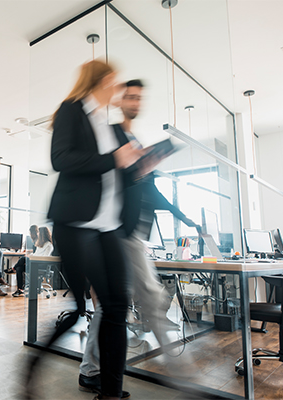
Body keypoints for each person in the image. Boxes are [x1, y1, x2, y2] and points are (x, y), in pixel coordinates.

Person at [24, 59, 144, 400]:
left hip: (108, 227)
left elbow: (114, 173)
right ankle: (32, 364)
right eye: (114, 82)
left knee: (117, 306)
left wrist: (138, 166)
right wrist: (114, 159)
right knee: (79, 309)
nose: (118, 90)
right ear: (102, 81)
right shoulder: (71, 111)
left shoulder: (106, 124)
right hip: (76, 223)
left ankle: (110, 393)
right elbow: (61, 159)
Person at [78, 79, 198, 394]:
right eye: (129, 96)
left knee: (112, 305)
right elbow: (114, 177)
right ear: (119, 101)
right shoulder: (115, 133)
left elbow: (150, 190)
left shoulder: (132, 137)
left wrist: (182, 216)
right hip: (119, 231)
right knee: (149, 295)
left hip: (131, 233)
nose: (135, 101)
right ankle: (178, 370)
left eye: (138, 97)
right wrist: (143, 163)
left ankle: (91, 370)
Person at [11, 226, 54, 297]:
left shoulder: (49, 245)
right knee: (19, 268)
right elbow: (36, 254)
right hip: (34, 262)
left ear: (43, 234)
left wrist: (31, 257)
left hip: (40, 265)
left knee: (22, 259)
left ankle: (13, 269)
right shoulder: (40, 244)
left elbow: (45, 257)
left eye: (39, 233)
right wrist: (31, 255)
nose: (38, 234)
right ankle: (20, 289)